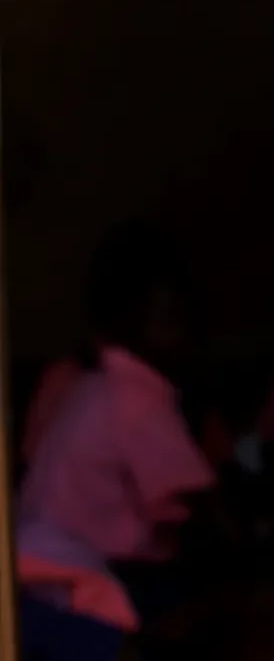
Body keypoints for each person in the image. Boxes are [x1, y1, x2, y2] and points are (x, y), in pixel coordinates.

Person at [16, 222, 216, 660]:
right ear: (124, 324)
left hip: (35, 569)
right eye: (170, 320)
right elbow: (200, 501)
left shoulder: (94, 384)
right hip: (78, 578)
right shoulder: (137, 397)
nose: (184, 336)